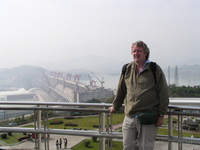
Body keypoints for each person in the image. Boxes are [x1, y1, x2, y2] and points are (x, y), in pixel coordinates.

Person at [109, 40, 169, 150]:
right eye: (134, 51)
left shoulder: (154, 69)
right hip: (129, 117)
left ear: (145, 53)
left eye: (139, 51)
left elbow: (163, 93)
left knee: (145, 148)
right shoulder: (127, 68)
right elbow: (121, 90)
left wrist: (161, 115)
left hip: (148, 118)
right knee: (127, 147)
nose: (136, 53)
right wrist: (115, 106)